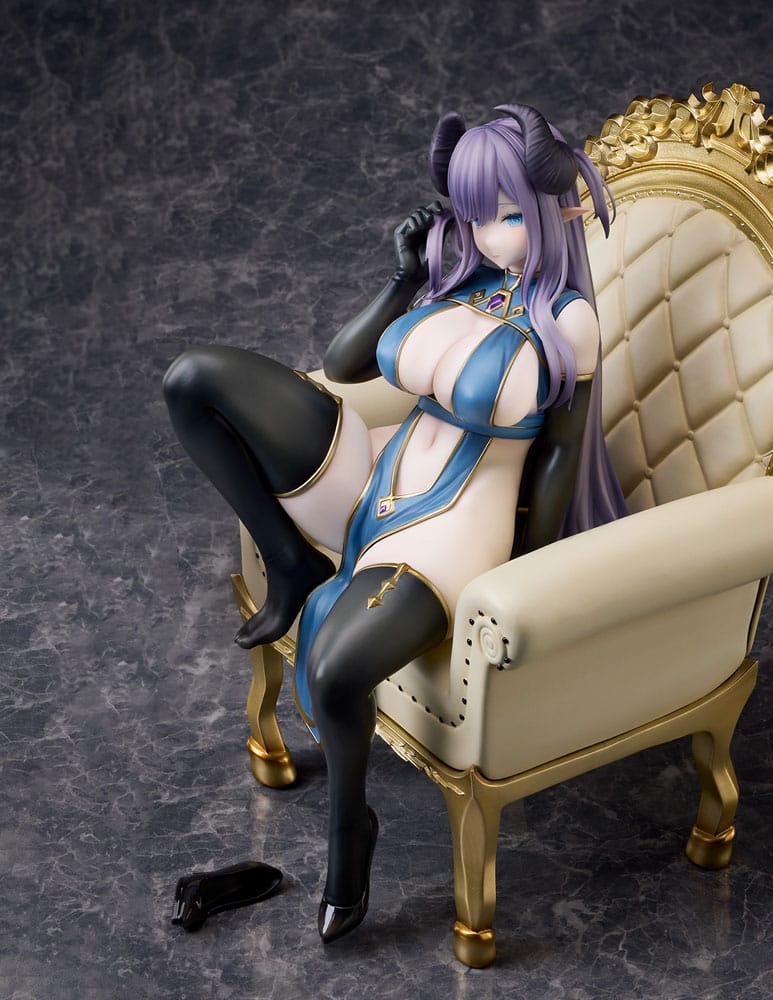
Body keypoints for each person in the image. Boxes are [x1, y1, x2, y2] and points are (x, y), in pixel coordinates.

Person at [162, 103, 625, 943]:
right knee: (194, 381)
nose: (489, 235)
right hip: (373, 471)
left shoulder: (571, 322)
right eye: (475, 215)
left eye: (508, 215)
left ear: (554, 210)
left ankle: (351, 831)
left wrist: (524, 573)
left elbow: (560, 454)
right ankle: (292, 562)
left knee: (338, 670)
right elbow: (343, 366)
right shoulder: (463, 281)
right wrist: (405, 277)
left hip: (452, 528)